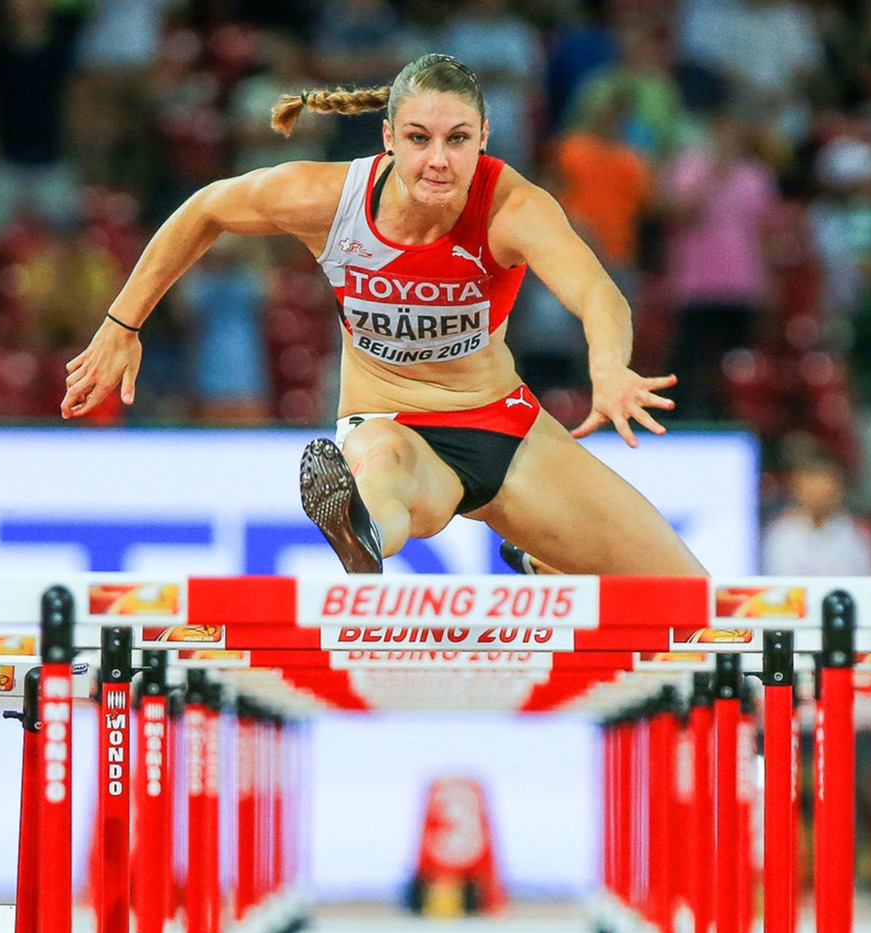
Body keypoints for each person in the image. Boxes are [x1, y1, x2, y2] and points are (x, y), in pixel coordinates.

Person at [60, 54, 703, 580]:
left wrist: (610, 368)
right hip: (390, 420)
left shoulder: (512, 207)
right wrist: (122, 325)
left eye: (458, 140)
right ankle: (359, 531)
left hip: (505, 426)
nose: (439, 161)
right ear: (388, 137)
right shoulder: (329, 200)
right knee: (386, 476)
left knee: (690, 601)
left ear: (485, 138)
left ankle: (544, 562)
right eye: (419, 140)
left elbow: (598, 293)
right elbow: (205, 209)